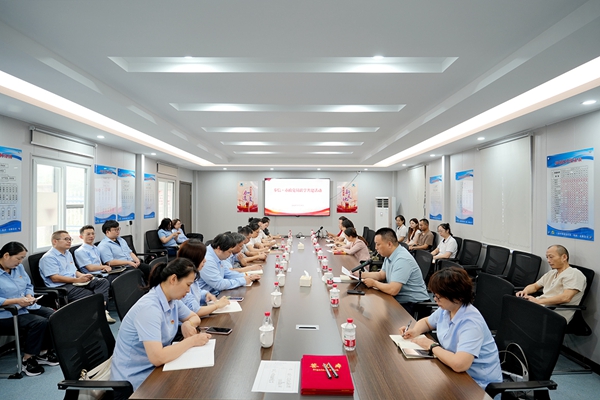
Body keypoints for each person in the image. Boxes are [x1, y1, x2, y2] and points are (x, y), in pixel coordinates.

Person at [111, 258, 212, 396]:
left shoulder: (171, 299)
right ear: (173, 279)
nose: (189, 291)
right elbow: (157, 357)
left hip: (156, 369)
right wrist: (192, 341)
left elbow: (194, 317)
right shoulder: (149, 308)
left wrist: (188, 323)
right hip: (135, 381)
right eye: (188, 285)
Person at [399, 267, 502, 389]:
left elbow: (460, 364)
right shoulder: (447, 309)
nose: (435, 300)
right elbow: (427, 322)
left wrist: (431, 346)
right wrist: (415, 331)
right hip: (452, 372)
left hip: (477, 384)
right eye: (434, 296)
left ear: (457, 297)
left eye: (438, 297)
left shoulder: (471, 323)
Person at [0, 242, 59, 376]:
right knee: (38, 322)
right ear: (6, 255)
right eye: (19, 258)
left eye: (22, 258)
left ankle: (42, 353)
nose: (20, 262)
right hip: (7, 313)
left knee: (52, 315)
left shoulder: (18, 268)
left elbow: (28, 285)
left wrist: (28, 296)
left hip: (25, 305)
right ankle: (27, 359)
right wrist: (16, 301)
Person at [39, 231, 114, 323]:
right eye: (66, 239)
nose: (69, 241)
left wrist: (83, 276)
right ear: (55, 241)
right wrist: (77, 280)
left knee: (102, 282)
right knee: (89, 294)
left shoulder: (67, 253)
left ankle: (101, 310)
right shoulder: (48, 257)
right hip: (62, 286)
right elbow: (55, 278)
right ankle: (101, 313)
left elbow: (73, 271)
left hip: (75, 281)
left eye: (70, 239)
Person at [354, 228, 429, 314]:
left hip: (414, 305)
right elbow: (381, 275)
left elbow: (393, 290)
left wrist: (374, 283)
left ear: (389, 244)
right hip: (400, 300)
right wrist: (361, 274)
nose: (376, 248)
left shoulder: (402, 259)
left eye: (378, 244)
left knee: (375, 312)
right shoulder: (390, 255)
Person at [516, 245, 586, 322]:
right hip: (541, 307)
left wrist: (538, 301)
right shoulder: (552, 273)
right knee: (513, 308)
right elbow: (535, 286)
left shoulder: (574, 274)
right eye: (547, 257)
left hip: (554, 313)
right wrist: (525, 291)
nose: (548, 261)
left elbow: (566, 297)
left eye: (551, 257)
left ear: (564, 257)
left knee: (516, 315)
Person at [177, 240, 230, 317]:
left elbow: (196, 292)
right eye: (202, 258)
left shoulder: (193, 274)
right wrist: (217, 305)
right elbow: (194, 311)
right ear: (194, 259)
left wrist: (205, 294)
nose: (205, 260)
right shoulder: (183, 280)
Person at [196, 233, 261, 296]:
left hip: (215, 294)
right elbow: (219, 284)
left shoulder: (217, 255)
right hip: (206, 298)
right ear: (219, 249)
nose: (230, 255)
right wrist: (242, 280)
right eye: (229, 252)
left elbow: (227, 273)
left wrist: (247, 276)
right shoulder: (207, 260)